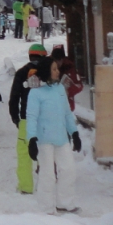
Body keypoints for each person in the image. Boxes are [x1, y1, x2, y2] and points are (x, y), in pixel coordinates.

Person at [26, 58, 80, 214]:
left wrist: (74, 133)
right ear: (46, 71)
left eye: (57, 69)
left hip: (61, 138)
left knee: (69, 170)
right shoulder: (35, 93)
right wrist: (31, 139)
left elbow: (67, 113)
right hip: (44, 141)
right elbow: (32, 117)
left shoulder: (60, 89)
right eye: (54, 69)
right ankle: (46, 208)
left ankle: (65, 202)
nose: (57, 71)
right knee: (48, 175)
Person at [8, 42, 47, 193]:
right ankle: (46, 185)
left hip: (26, 118)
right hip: (45, 118)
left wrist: (15, 118)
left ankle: (26, 186)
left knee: (24, 153)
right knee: (45, 151)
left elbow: (14, 97)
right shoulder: (48, 73)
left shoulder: (22, 72)